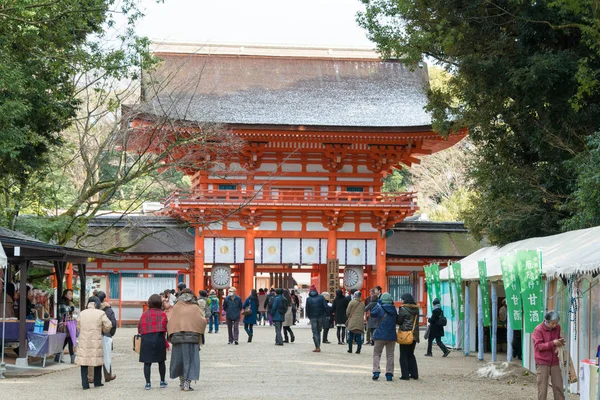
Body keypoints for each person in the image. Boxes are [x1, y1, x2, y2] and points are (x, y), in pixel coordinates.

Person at [167, 289, 206, 391]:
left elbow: (170, 320)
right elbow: (202, 321)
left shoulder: (176, 307)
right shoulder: (195, 307)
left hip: (177, 337)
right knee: (191, 360)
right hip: (192, 337)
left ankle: (181, 382)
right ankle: (187, 384)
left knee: (179, 361)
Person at [76, 296, 112, 390]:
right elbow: (108, 325)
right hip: (96, 339)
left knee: (84, 362)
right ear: (97, 304)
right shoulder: (100, 313)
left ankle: (85, 384)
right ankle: (97, 382)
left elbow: (78, 326)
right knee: (97, 360)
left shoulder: (82, 313)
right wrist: (103, 330)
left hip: (84, 339)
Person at [138, 294, 168, 390]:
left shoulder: (145, 314)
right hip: (159, 338)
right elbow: (165, 327)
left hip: (146, 339)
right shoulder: (162, 314)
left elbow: (140, 328)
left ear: (149, 303)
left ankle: (148, 383)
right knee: (161, 361)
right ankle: (162, 381)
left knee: (147, 362)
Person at [532, 311, 565, 400]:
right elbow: (538, 346)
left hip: (555, 360)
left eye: (556, 323)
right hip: (542, 361)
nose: (554, 325)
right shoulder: (538, 329)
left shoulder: (557, 327)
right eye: (552, 323)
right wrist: (553, 343)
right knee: (542, 387)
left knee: (558, 385)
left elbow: (557, 338)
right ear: (546, 321)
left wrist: (560, 341)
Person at [89, 291, 117, 382]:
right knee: (106, 356)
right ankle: (108, 375)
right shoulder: (109, 310)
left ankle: (91, 376)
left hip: (94, 335)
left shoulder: (92, 310)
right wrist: (109, 334)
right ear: (104, 299)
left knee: (93, 355)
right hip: (106, 335)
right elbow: (113, 324)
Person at [370, 293, 398, 381]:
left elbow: (372, 314)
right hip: (391, 335)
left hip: (380, 335)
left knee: (377, 354)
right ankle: (389, 374)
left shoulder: (380, 308)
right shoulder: (394, 309)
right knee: (390, 355)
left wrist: (378, 303)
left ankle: (376, 371)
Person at [397, 293, 420, 380]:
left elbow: (399, 321)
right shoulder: (416, 309)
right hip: (414, 334)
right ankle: (414, 374)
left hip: (405, 334)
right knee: (411, 354)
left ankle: (405, 375)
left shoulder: (403, 309)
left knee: (403, 355)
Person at [305, 284, 328, 352]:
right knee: (319, 331)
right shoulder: (321, 297)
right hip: (320, 316)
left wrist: (309, 316)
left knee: (314, 332)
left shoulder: (308, 299)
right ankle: (318, 346)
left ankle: (317, 346)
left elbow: (307, 309)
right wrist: (326, 314)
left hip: (312, 317)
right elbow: (325, 306)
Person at [56, 289, 76, 364]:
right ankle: (72, 357)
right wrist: (71, 309)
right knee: (66, 340)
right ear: (65, 295)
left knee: (67, 340)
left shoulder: (69, 302)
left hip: (68, 324)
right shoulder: (62, 302)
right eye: (69, 294)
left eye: (71, 294)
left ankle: (59, 356)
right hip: (63, 325)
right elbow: (65, 311)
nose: (71, 295)